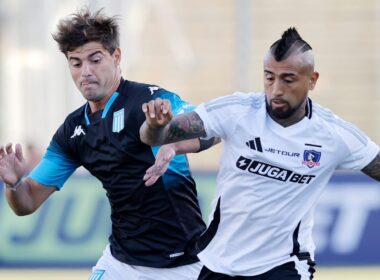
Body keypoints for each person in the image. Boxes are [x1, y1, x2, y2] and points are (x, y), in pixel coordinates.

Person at [139, 27, 380, 279]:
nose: (276, 89)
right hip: (218, 262)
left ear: (312, 80)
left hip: (284, 264)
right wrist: (156, 126)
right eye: (269, 77)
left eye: (288, 79)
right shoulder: (237, 111)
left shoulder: (334, 135)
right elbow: (154, 137)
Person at [0, 7, 216, 280]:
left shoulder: (149, 101)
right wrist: (13, 183)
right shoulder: (72, 131)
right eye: (76, 63)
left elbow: (212, 128)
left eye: (95, 59)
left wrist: (172, 141)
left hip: (183, 265)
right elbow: (27, 201)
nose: (86, 72)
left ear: (116, 57)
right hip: (120, 263)